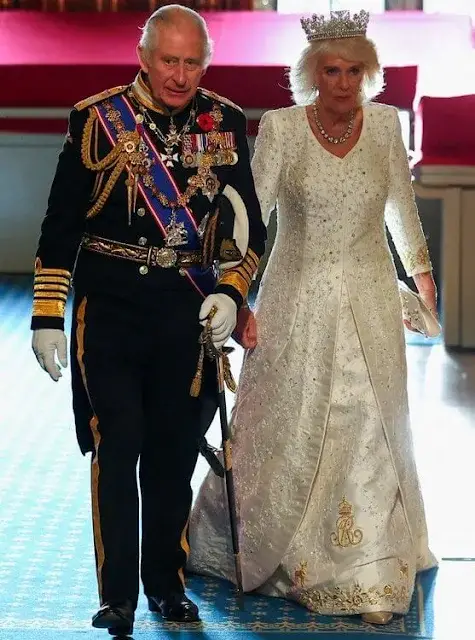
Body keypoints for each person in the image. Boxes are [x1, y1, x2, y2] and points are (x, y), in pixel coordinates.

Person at [187, 9, 438, 626]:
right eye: (333, 70)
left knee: (370, 421)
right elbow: (253, 216)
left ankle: (369, 564)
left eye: (356, 70)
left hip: (372, 297)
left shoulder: (385, 126)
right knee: (289, 420)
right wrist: (238, 297)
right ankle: (278, 551)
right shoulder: (281, 130)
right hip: (295, 297)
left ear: (369, 73)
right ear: (312, 72)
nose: (345, 82)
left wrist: (423, 280)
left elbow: (401, 211)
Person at [30, 5, 266, 636]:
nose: (180, 75)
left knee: (171, 458)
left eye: (193, 62)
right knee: (119, 445)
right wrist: (48, 313)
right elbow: (60, 227)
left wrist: (231, 293)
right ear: (144, 54)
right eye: (169, 60)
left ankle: (166, 585)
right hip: (111, 314)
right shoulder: (97, 120)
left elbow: (252, 235)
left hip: (187, 322)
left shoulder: (225, 122)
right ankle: (118, 598)